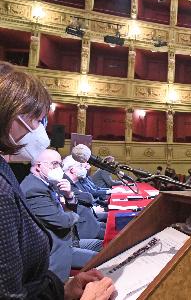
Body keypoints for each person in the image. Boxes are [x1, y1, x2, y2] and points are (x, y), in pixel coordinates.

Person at [0, 61, 114, 298]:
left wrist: (61, 290)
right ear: (11, 114)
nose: (41, 130)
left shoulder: (6, 172)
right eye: (38, 120)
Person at [20, 149, 102, 281]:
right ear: (39, 166)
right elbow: (62, 221)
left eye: (59, 164)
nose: (58, 168)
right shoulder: (34, 189)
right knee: (100, 261)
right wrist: (73, 216)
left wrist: (69, 196)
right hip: (55, 252)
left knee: (104, 249)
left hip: (69, 240)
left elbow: (66, 212)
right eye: (54, 164)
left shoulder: (46, 183)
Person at [62, 156, 106, 240]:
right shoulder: (65, 182)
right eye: (80, 166)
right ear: (72, 170)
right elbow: (89, 198)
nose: (83, 168)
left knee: (118, 226)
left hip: (91, 220)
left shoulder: (76, 181)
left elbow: (88, 197)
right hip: (84, 227)